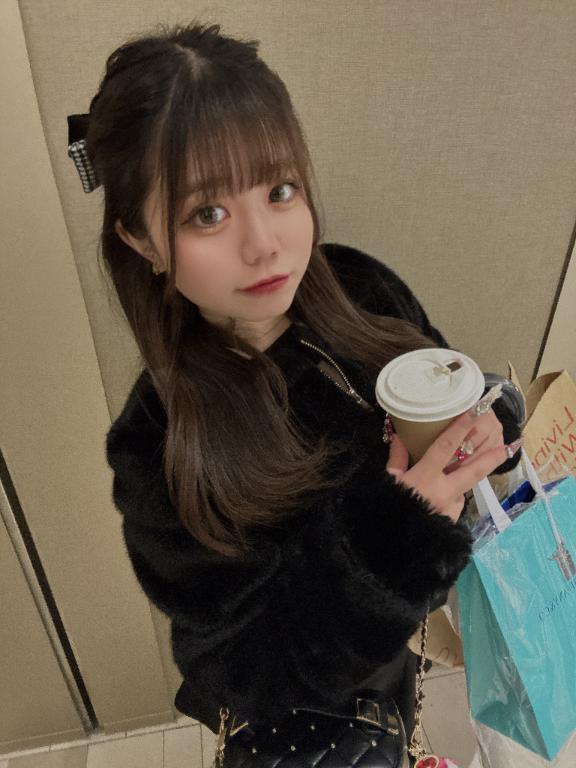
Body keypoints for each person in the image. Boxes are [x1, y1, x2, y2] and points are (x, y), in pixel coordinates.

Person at [73, 19, 523, 762]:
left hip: (411, 662)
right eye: (208, 214)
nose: (265, 244)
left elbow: (440, 384)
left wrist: (487, 416)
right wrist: (396, 540)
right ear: (142, 241)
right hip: (330, 721)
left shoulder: (360, 286)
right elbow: (246, 672)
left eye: (279, 190)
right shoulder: (160, 444)